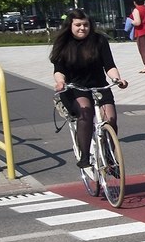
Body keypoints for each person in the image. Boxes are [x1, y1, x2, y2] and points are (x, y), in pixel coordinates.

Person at [49, 10, 127, 172]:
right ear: (70, 26)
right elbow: (59, 69)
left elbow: (109, 65)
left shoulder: (99, 41)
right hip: (74, 88)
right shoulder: (63, 44)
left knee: (110, 119)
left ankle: (109, 157)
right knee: (86, 111)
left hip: (99, 86)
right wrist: (60, 82)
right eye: (78, 25)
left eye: (85, 25)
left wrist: (117, 79)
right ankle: (85, 157)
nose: (82, 28)